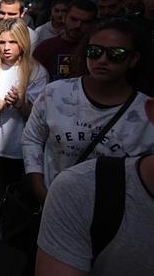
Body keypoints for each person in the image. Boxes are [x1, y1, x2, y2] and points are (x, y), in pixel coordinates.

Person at [22, 19, 154, 204]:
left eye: (115, 54)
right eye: (94, 52)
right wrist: (40, 189)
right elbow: (32, 138)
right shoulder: (55, 93)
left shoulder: (146, 113)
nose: (102, 60)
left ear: (133, 59)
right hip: (53, 203)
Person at [35, 97, 154, 276]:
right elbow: (32, 137)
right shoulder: (78, 190)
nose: (104, 66)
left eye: (116, 64)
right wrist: (38, 187)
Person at [0, 18, 48, 223]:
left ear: (23, 43)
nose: (6, 48)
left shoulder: (37, 72)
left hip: (19, 148)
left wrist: (19, 104)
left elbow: (39, 116)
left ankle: (4, 224)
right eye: (2, 42)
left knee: (12, 192)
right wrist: (0, 104)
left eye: (12, 42)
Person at [33, 0, 97, 81]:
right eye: (74, 19)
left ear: (93, 24)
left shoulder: (97, 51)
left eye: (85, 22)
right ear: (64, 18)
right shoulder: (45, 48)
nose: (78, 25)